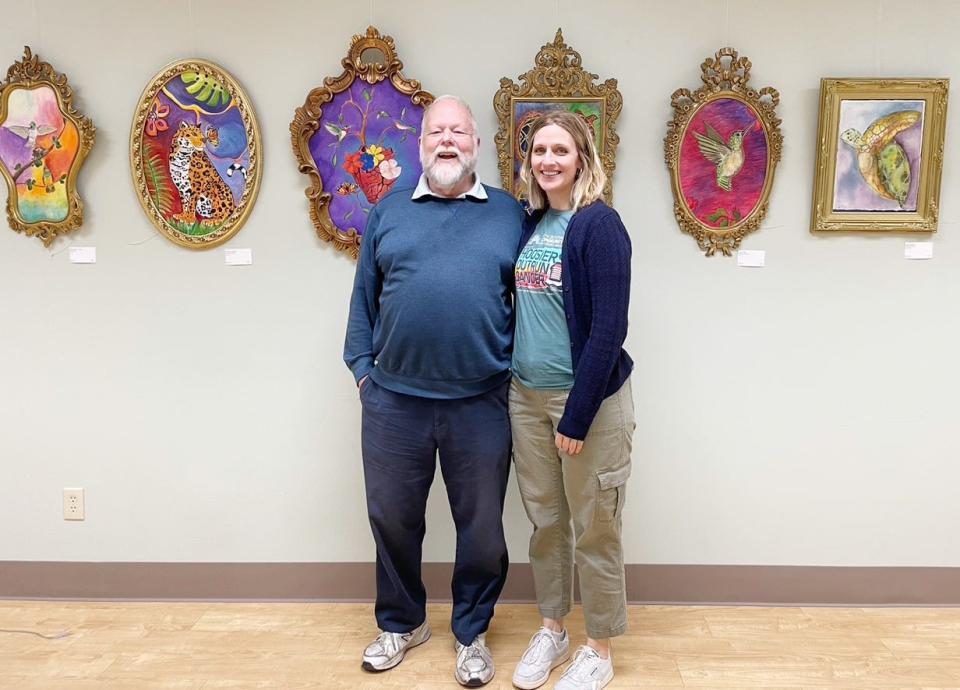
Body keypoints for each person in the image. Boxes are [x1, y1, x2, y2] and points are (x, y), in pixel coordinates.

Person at [343, 94, 525, 688]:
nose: (447, 141)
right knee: (392, 518)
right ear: (420, 145)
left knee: (482, 529)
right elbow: (363, 300)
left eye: (458, 132)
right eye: (435, 132)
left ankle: (471, 633)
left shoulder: (508, 215)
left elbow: (531, 304)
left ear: (476, 143)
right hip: (394, 401)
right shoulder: (388, 211)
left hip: (482, 401)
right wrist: (363, 372)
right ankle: (403, 621)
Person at [508, 111, 634, 690]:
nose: (548, 160)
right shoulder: (531, 223)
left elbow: (609, 328)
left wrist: (578, 415)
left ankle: (599, 650)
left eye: (560, 150)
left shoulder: (598, 225)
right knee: (546, 523)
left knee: (595, 526)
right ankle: (553, 629)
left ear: (582, 157)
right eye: (538, 151)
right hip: (526, 398)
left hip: (586, 403)